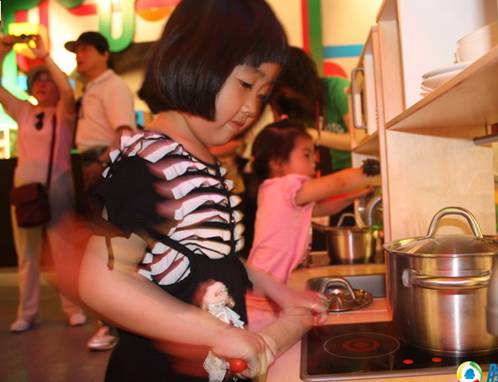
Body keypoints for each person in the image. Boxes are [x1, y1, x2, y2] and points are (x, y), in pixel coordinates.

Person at [77, 1, 326, 381]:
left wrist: (282, 294)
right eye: (245, 84)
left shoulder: (201, 160)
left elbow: (216, 257)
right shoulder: (148, 162)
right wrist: (216, 331)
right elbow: (101, 280)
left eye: (262, 94)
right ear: (192, 60)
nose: (250, 108)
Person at [0, 35, 87, 332]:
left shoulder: (64, 113)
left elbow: (67, 90)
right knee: (27, 256)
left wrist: (44, 56)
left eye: (47, 79)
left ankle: (72, 308)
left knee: (64, 254)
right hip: (26, 193)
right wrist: (3, 52)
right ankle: (27, 312)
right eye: (37, 79)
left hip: (58, 190)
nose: (43, 84)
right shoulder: (23, 110)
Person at [64, 30, 136, 350]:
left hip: (104, 165)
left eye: (86, 49)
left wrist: (103, 165)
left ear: (104, 53)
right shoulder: (90, 87)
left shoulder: (113, 85)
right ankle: (113, 322)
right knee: (100, 245)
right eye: (76, 50)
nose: (80, 55)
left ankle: (113, 325)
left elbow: (124, 132)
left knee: (108, 247)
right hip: (91, 164)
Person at [246, 119, 379, 284]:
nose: (314, 160)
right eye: (306, 155)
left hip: (266, 277)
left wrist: (350, 197)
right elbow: (339, 182)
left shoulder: (274, 192)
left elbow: (320, 209)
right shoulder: (284, 186)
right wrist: (374, 170)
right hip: (268, 279)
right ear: (277, 163)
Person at [269, 46, 356, 174]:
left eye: (282, 88)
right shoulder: (286, 105)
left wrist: (315, 136)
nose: (283, 93)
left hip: (351, 168)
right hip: (315, 175)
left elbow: (357, 141)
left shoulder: (337, 89)